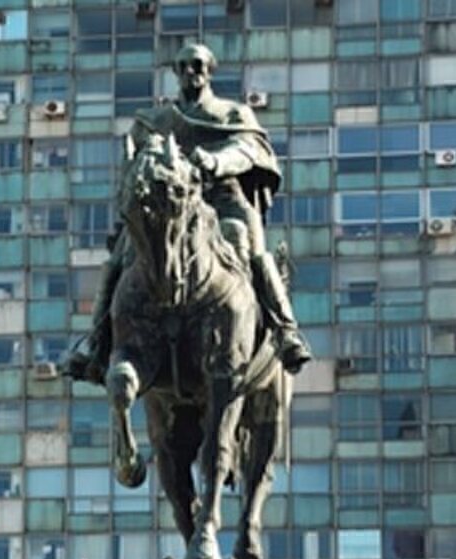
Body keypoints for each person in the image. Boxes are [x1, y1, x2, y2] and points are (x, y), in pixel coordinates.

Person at [66, 43, 311, 385]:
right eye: (182, 66)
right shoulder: (154, 121)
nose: (190, 72)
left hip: (223, 198)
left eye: (197, 65)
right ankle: (96, 345)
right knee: (121, 257)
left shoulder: (233, 114)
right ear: (175, 72)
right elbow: (133, 164)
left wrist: (215, 162)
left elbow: (251, 150)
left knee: (251, 248)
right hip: (168, 205)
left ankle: (286, 331)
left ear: (210, 70)